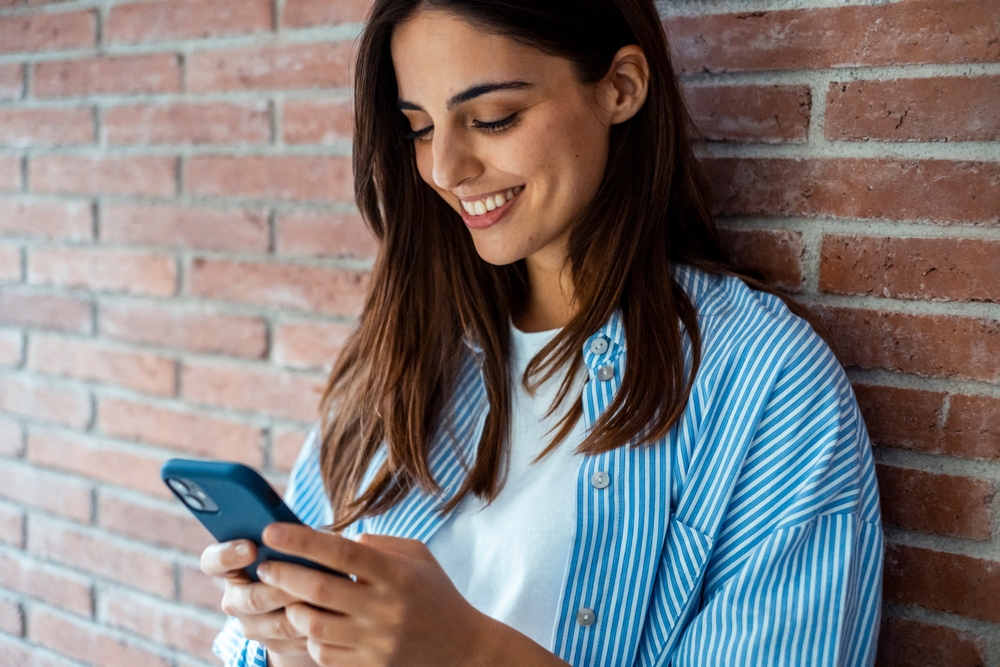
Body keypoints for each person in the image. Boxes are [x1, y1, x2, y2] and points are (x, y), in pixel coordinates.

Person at [201, 1, 884, 665]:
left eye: (493, 118)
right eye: (420, 128)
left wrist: (471, 654)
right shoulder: (402, 355)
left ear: (621, 87)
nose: (445, 170)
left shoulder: (764, 384)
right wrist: (294, 644)